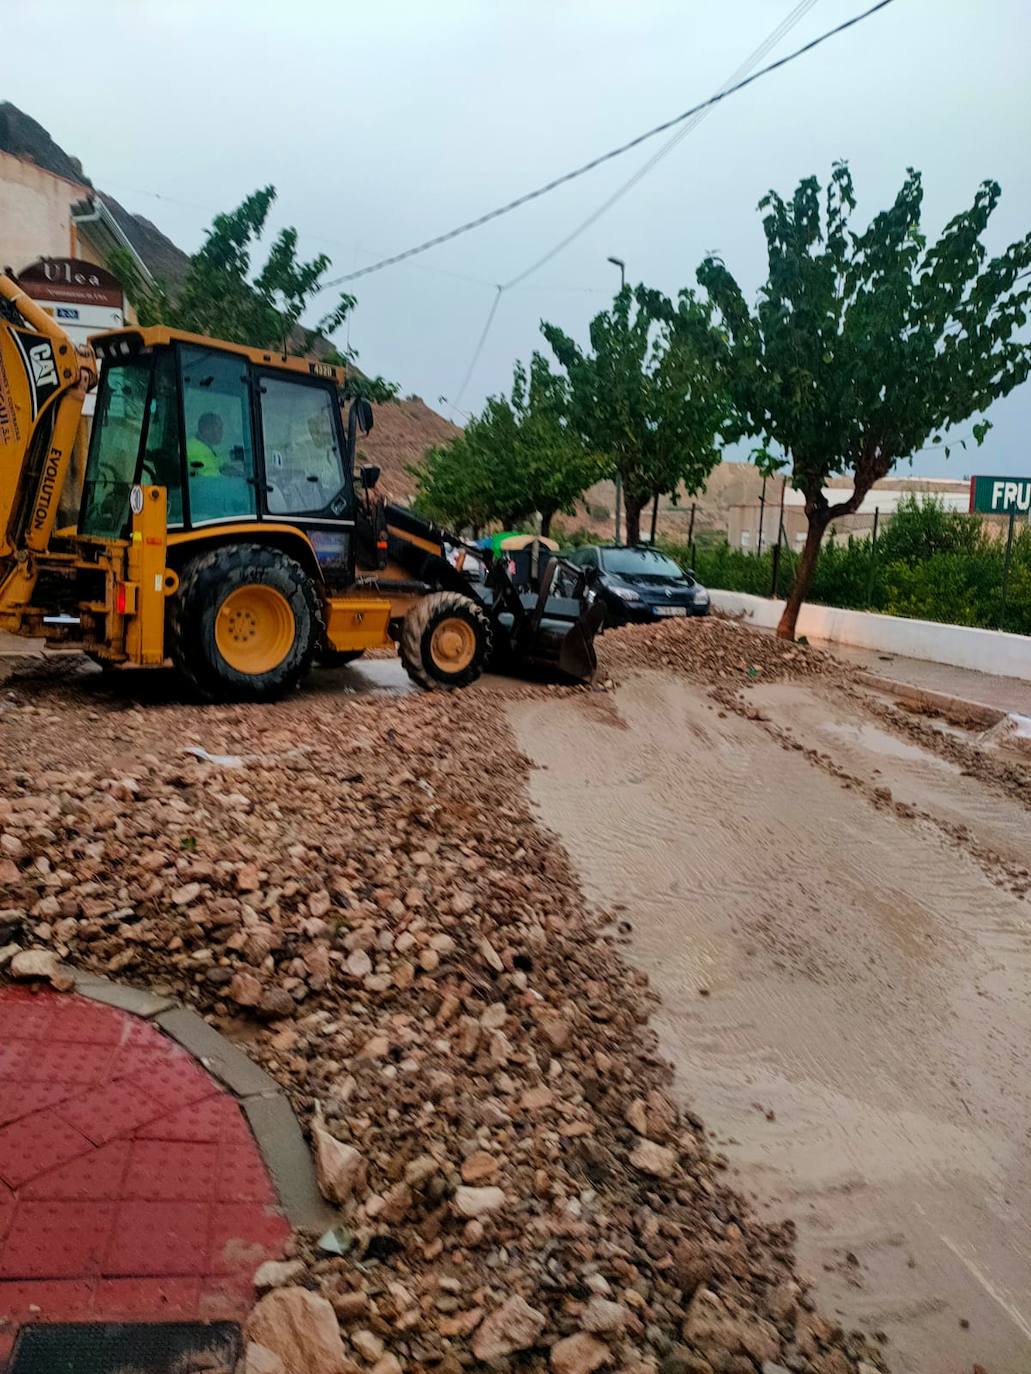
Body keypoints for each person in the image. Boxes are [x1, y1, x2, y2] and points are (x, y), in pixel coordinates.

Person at [186, 412, 225, 476]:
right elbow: (212, 479)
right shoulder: (196, 449)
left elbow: (217, 463)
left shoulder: (201, 445)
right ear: (207, 429)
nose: (222, 432)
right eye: (219, 428)